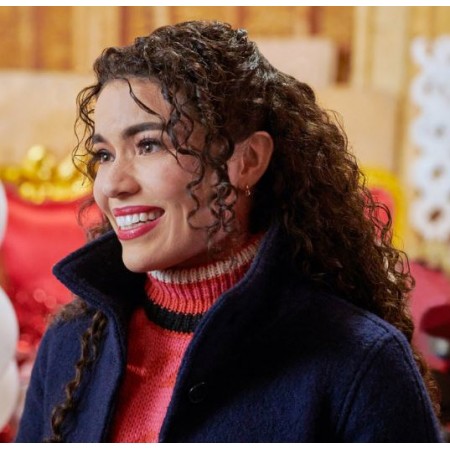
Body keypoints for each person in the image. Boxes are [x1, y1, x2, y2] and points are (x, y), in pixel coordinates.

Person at [16, 20, 443, 443]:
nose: (111, 185)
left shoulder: (361, 361)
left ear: (248, 161)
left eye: (149, 145)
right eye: (105, 155)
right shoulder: (68, 344)